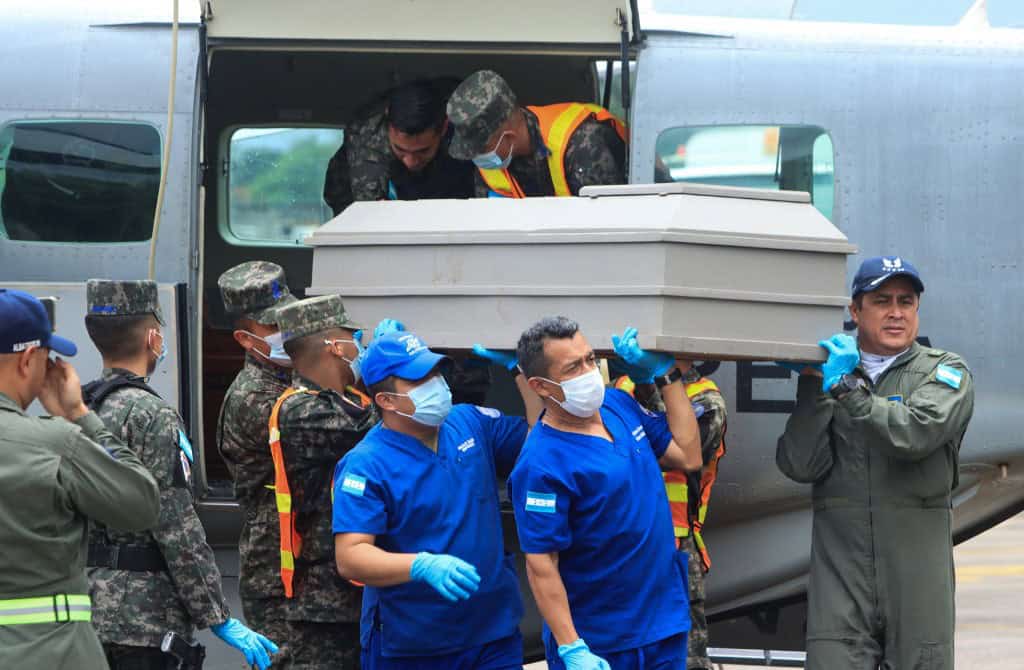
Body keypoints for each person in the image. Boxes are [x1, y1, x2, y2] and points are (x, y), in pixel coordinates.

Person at [776, 256, 974, 670]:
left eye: (906, 301)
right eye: (882, 300)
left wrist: (847, 389)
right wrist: (814, 385)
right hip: (841, 576)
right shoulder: (830, 374)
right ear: (855, 311)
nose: (896, 312)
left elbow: (915, 432)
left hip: (916, 578)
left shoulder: (945, 372)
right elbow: (799, 464)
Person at [81, 279, 277, 670]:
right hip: (146, 619)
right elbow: (174, 523)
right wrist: (218, 615)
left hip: (87, 610)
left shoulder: (83, 407)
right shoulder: (152, 415)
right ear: (153, 338)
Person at [332, 333, 542, 670]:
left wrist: (521, 371)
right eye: (420, 379)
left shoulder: (468, 421)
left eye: (436, 373)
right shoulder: (367, 464)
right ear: (386, 400)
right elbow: (351, 557)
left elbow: (539, 438)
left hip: (492, 633)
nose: (437, 385)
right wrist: (420, 565)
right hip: (416, 643)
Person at [509, 317, 703, 670]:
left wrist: (667, 376)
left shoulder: (617, 405)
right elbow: (541, 565)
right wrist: (572, 648)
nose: (588, 373)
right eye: (572, 368)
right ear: (541, 386)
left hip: (662, 625)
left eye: (588, 359)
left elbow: (688, 455)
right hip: (600, 641)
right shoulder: (541, 464)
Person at [0, 288, 160, 670]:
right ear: (27, 361)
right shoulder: (53, 443)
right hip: (51, 651)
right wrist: (79, 416)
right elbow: (141, 503)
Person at [269, 294, 379, 669]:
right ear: (335, 347)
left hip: (360, 589)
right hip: (325, 600)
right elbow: (383, 428)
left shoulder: (347, 398)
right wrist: (387, 371)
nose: (360, 346)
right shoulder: (301, 409)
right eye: (355, 338)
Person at [611, 336, 728, 670]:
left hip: (675, 549)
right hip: (624, 541)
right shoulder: (621, 384)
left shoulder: (706, 398)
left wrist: (655, 381)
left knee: (681, 657)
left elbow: (680, 450)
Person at [215, 260, 297, 657]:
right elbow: (339, 428)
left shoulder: (290, 375)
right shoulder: (254, 396)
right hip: (277, 573)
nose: (290, 331)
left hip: (308, 564)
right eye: (275, 326)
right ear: (246, 339)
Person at [446, 70, 626, 198]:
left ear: (509, 137)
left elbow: (610, 225)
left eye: (482, 148)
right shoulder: (490, 168)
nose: (477, 157)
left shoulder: (582, 145)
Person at [323, 79, 476, 216]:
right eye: (401, 149)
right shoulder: (367, 133)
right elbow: (369, 215)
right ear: (387, 126)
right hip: (347, 190)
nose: (411, 161)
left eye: (422, 151)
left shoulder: (468, 123)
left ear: (443, 128)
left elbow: (486, 200)